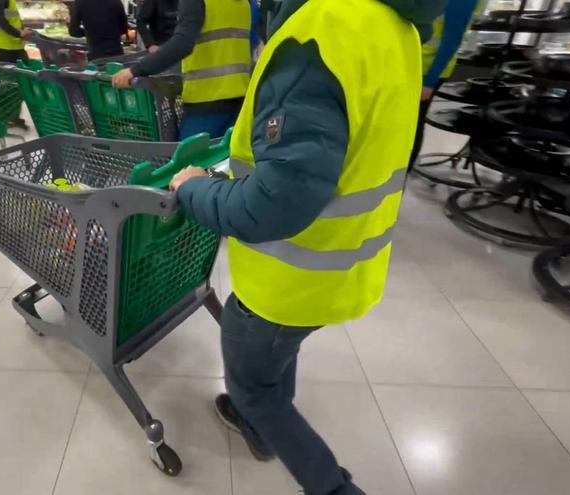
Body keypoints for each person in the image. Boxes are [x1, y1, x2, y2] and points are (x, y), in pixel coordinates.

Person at [166, 0, 445, 493]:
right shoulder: (394, 24)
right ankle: (258, 412)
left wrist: (192, 189)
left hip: (285, 278)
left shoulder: (318, 37)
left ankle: (320, 476)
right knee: (278, 349)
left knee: (254, 384)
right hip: (341, 263)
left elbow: (270, 207)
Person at [112, 0, 252, 140]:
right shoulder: (242, 3)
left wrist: (135, 70)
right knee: (223, 159)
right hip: (240, 101)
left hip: (205, 103)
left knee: (188, 160)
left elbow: (183, 43)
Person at [409, 0, 480, 169]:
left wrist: (429, 82)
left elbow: (452, 39)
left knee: (412, 124)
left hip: (427, 71)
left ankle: (403, 170)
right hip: (412, 63)